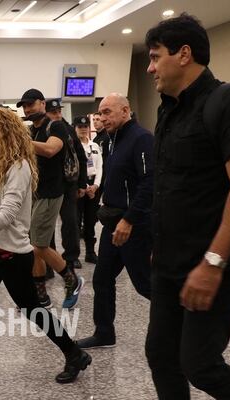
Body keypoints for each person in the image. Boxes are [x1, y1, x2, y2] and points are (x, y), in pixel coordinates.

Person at [144, 14, 230, 400]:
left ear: (184, 54)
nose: (150, 68)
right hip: (169, 263)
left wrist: (212, 263)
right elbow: (172, 184)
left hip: (213, 262)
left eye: (155, 57)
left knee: (200, 365)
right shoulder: (168, 109)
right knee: (161, 355)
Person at [0, 107, 91, 385]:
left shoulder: (19, 165)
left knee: (32, 310)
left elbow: (8, 214)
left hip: (10, 254)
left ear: (5, 132)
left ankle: (74, 353)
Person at [76, 94, 153, 349]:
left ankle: (185, 322)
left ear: (125, 111)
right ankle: (104, 333)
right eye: (100, 113)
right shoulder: (110, 141)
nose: (102, 118)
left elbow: (149, 183)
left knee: (145, 284)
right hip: (113, 225)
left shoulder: (141, 139)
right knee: (102, 278)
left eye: (107, 112)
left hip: (133, 226)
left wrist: (129, 220)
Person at [18, 89, 83, 309]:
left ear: (42, 103)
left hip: (51, 192)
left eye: (31, 104)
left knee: (37, 245)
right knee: (34, 245)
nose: (27, 109)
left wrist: (21, 140)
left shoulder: (55, 126)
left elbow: (50, 150)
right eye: (24, 106)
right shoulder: (29, 131)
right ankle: (41, 296)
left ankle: (71, 279)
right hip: (35, 194)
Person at [44, 98, 88, 270]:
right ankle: (50, 257)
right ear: (46, 113)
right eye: (53, 112)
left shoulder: (69, 130)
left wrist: (81, 184)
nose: (57, 115)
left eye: (59, 112)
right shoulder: (42, 130)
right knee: (46, 223)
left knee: (70, 221)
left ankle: (71, 257)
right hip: (48, 185)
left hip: (68, 184)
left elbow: (81, 158)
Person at [74, 116, 103, 264]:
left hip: (93, 188)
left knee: (91, 221)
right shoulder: (73, 147)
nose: (83, 129)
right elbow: (76, 169)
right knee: (76, 222)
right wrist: (85, 187)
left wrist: (95, 186)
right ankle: (75, 257)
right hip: (79, 188)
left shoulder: (95, 146)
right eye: (80, 127)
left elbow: (99, 168)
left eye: (85, 127)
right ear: (75, 128)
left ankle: (90, 253)